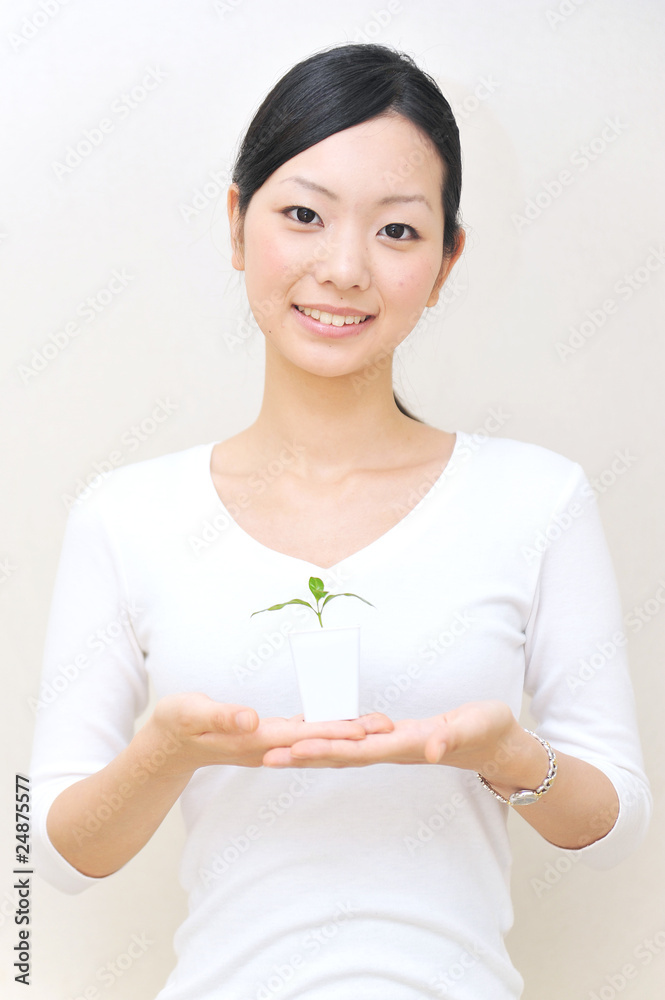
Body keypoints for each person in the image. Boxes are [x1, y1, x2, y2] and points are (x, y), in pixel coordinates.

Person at [30, 42, 651, 999]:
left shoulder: (538, 499)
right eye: (303, 215)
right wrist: (167, 751)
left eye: (398, 232)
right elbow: (54, 861)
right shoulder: (126, 516)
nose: (344, 267)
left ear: (446, 261)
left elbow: (612, 832)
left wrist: (502, 753)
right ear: (238, 225)